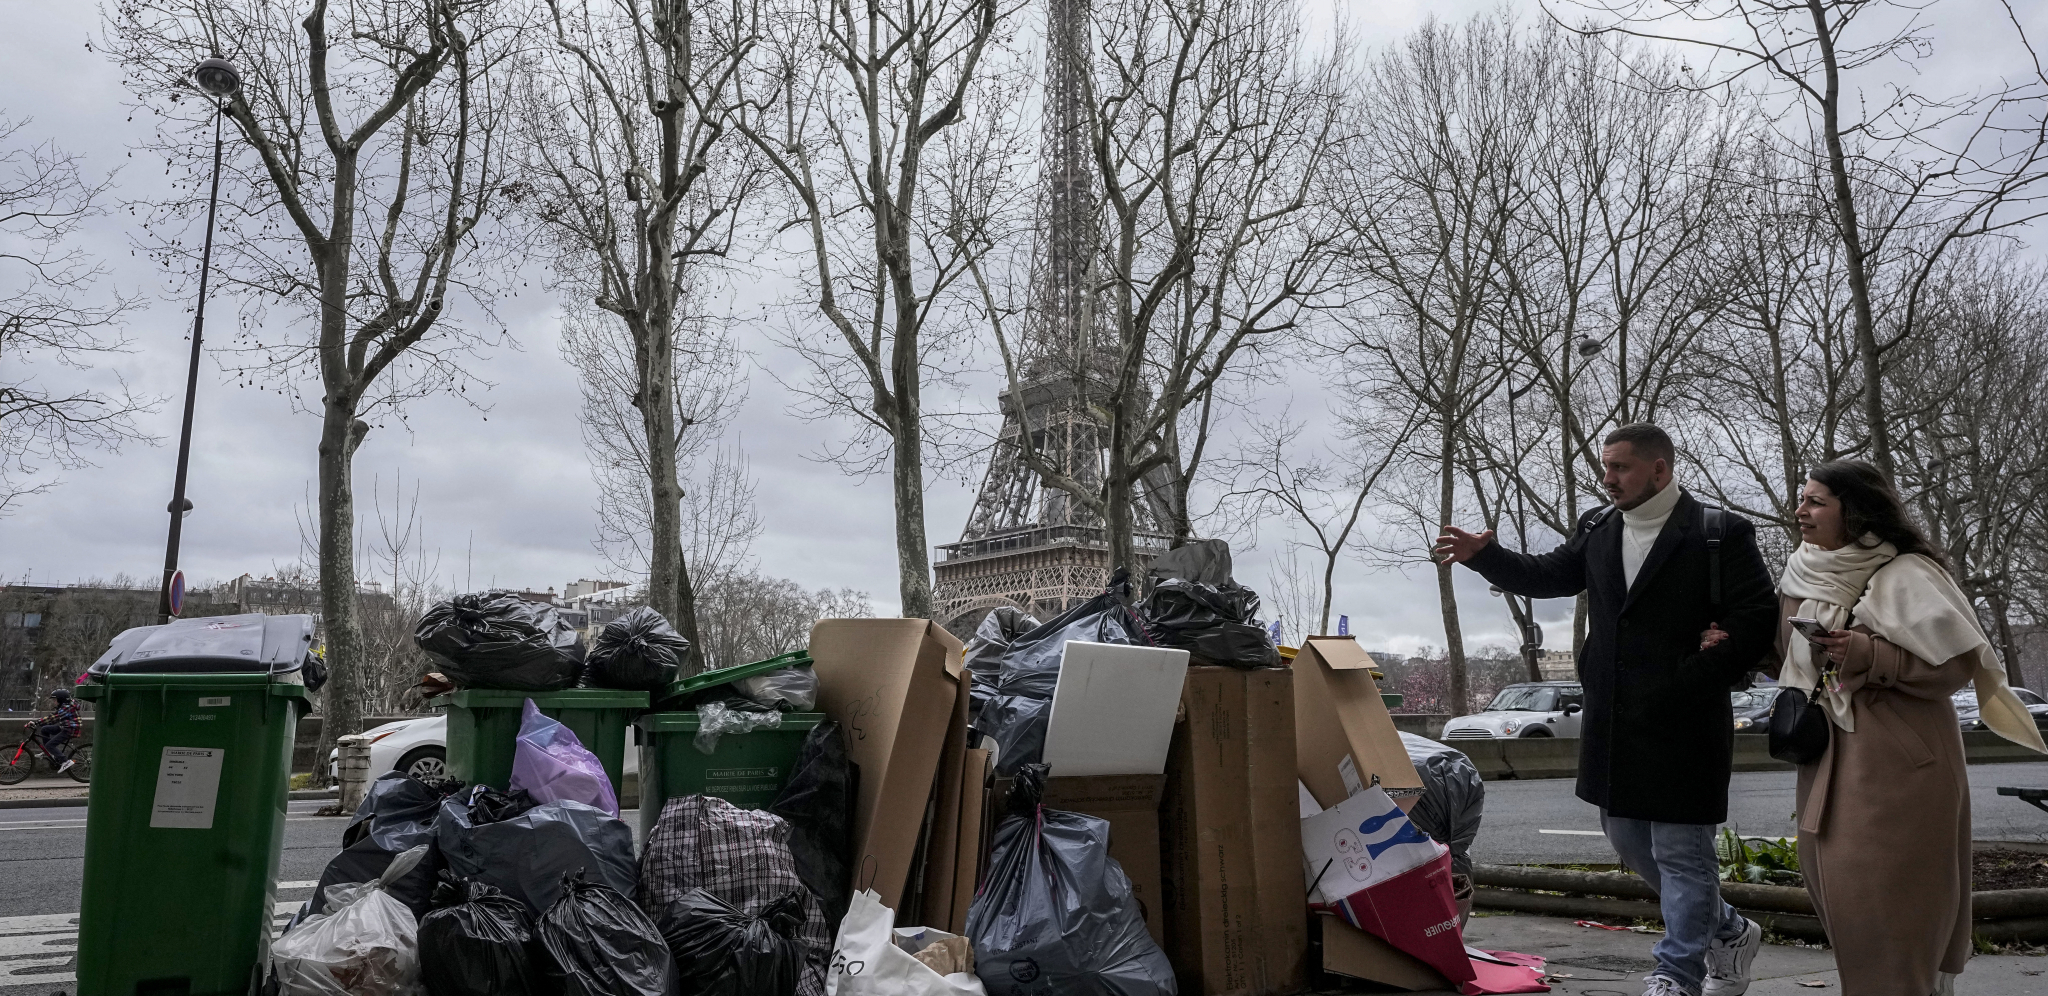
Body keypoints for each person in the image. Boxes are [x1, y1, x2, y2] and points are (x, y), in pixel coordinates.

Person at [1435, 423, 1779, 996]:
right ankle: (1730, 930)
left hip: (1686, 720)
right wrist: (1485, 555)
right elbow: (1547, 576)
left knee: (1682, 853)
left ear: (1659, 470)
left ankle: (1676, 973)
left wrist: (1688, 679)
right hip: (1614, 722)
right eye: (1605, 466)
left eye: (1620, 467)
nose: (1607, 477)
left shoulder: (1720, 533)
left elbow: (1754, 622)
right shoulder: (1598, 527)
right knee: (1629, 843)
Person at [1764, 460, 2044, 996]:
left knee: (1893, 909)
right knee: (1846, 904)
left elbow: (1955, 666)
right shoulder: (1800, 573)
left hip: (1899, 766)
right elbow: (1785, 655)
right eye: (1802, 499)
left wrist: (1869, 654)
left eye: (1817, 501)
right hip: (1826, 760)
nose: (1801, 511)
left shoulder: (1907, 573)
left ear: (1857, 510)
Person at [27, 687, 82, 773]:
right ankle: (49, 752)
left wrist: (36, 723)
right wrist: (38, 722)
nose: (54, 702)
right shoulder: (65, 706)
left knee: (50, 745)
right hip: (65, 726)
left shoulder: (67, 707)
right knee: (45, 729)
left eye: (55, 700)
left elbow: (53, 718)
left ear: (61, 700)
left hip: (70, 729)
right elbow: (53, 715)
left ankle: (66, 761)